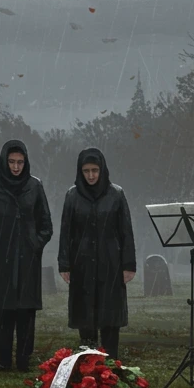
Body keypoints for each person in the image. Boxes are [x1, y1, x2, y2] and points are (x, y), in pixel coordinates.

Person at [0, 139, 53, 371]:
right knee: (4, 309)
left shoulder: (35, 186)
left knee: (26, 310)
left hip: (28, 257)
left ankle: (24, 358)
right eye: (11, 162)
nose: (16, 167)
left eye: (20, 162)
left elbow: (46, 224)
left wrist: (35, 244)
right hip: (0, 256)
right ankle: (5, 358)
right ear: (4, 161)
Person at [57, 148, 137, 355]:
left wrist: (129, 265)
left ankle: (110, 360)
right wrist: (64, 264)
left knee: (110, 315)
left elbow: (126, 232)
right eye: (86, 171)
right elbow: (65, 232)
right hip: (81, 262)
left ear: (102, 170)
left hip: (111, 262)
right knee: (85, 313)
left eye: (95, 170)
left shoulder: (116, 195)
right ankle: (87, 362)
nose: (91, 175)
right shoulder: (72, 196)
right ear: (80, 171)